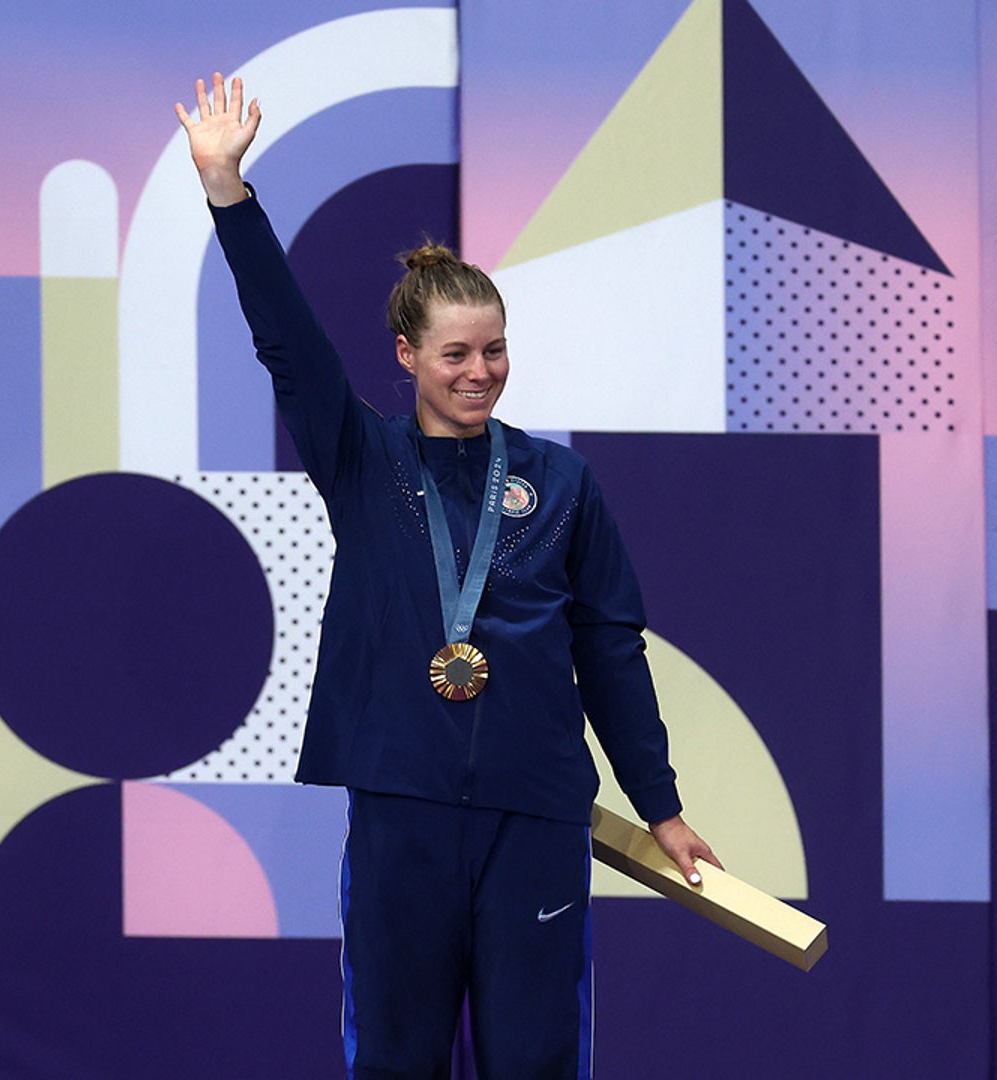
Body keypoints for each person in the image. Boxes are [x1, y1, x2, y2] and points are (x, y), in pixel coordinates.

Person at [177, 73, 718, 1079]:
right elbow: (288, 346)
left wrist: (661, 802)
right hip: (403, 809)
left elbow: (609, 648)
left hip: (537, 813)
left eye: (496, 351)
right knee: (395, 1057)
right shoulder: (363, 460)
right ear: (408, 356)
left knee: (537, 1058)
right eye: (457, 354)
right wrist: (228, 193)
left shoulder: (560, 481)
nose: (480, 373)